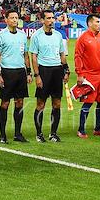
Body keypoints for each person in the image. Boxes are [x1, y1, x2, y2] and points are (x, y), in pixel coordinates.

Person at [28, 9, 68, 143]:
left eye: (53, 18)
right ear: (42, 20)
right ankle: (39, 134)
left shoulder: (58, 35)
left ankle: (53, 133)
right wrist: (37, 75)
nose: (51, 21)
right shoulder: (36, 36)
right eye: (49, 18)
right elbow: (34, 57)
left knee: (57, 103)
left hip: (57, 70)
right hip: (44, 71)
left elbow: (62, 54)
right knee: (41, 104)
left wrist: (66, 70)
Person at [0, 8, 28, 143]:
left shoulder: (22, 35)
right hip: (7, 72)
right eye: (12, 18)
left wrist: (28, 72)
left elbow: (25, 55)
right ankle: (3, 135)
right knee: (5, 103)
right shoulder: (0, 35)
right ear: (6, 20)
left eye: (16, 18)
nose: (14, 20)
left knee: (19, 103)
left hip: (20, 72)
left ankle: (18, 134)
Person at [73, 14, 100, 139]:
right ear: (89, 23)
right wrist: (80, 74)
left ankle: (98, 129)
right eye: (97, 22)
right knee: (87, 103)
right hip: (89, 76)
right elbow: (78, 56)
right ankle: (81, 129)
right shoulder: (83, 38)